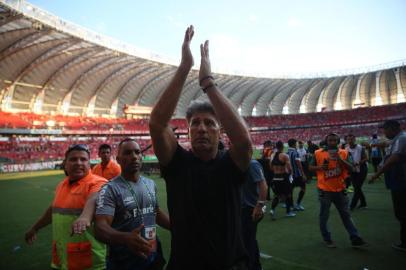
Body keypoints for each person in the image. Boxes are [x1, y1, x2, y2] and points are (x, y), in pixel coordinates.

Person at [149, 26, 252, 270]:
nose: (202, 128)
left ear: (221, 131)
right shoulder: (177, 162)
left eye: (209, 123)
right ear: (187, 131)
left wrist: (208, 83)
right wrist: (185, 67)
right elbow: (156, 123)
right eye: (195, 123)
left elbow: (244, 142)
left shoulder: (231, 164)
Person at [25, 144, 107, 269]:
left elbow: (94, 198)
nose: (78, 163)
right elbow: (54, 209)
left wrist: (85, 217)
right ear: (66, 164)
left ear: (89, 163)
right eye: (73, 159)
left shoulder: (98, 182)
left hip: (88, 261)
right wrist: (35, 228)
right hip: (61, 257)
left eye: (83, 159)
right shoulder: (61, 185)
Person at [95, 138, 170, 269]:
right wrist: (125, 238)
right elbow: (100, 228)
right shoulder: (110, 189)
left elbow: (155, 212)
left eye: (137, 152)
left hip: (152, 255)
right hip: (124, 262)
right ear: (118, 159)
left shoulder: (150, 184)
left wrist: (177, 227)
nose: (134, 157)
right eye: (128, 153)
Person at [309, 133, 367, 248]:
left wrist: (341, 160)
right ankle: (327, 239)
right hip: (324, 190)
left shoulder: (344, 152)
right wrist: (320, 168)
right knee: (324, 216)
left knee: (346, 214)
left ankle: (355, 237)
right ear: (326, 141)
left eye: (334, 140)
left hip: (340, 189)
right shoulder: (318, 153)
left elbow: (352, 168)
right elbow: (310, 168)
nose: (332, 143)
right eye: (330, 140)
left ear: (338, 141)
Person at [369, 120, 406, 252]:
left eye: (385, 129)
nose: (383, 132)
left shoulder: (401, 139)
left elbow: (394, 158)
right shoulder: (398, 139)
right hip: (398, 181)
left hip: (401, 182)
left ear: (392, 128)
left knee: (402, 212)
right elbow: (386, 144)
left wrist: (376, 174)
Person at [241, 160, 268, 270]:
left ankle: (252, 266)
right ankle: (256, 265)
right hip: (244, 208)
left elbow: (263, 185)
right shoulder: (239, 164)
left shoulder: (252, 164)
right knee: (249, 239)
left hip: (250, 209)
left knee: (246, 241)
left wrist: (259, 206)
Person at [269, 141, 295, 219]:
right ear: (283, 146)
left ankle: (272, 210)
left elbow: (270, 167)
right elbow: (290, 168)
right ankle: (288, 212)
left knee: (277, 195)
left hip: (275, 177)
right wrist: (290, 174)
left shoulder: (272, 155)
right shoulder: (284, 155)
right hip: (283, 177)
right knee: (288, 194)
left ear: (276, 147)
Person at [345, 134, 368, 210]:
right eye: (348, 139)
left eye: (351, 139)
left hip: (362, 169)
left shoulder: (360, 148)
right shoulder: (346, 149)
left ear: (355, 139)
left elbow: (366, 158)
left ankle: (352, 206)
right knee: (357, 187)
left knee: (357, 187)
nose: (350, 141)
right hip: (352, 170)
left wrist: (358, 163)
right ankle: (363, 203)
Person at [287, 138, 307, 211]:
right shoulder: (295, 153)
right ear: (293, 144)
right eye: (296, 144)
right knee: (303, 188)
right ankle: (298, 204)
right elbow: (299, 165)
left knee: (290, 190)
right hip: (297, 175)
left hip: (290, 175)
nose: (296, 145)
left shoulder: (286, 153)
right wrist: (303, 174)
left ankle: (291, 205)